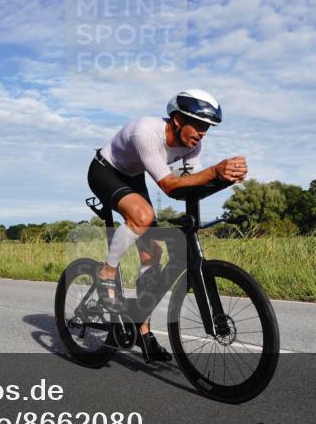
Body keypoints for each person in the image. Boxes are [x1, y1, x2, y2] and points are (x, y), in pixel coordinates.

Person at [86, 90, 248, 362]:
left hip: (133, 176)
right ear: (176, 120)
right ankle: (106, 272)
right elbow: (170, 186)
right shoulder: (146, 133)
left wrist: (225, 179)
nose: (202, 133)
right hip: (105, 171)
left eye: (207, 127)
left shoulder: (193, 145)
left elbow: (190, 184)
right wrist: (214, 171)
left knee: (154, 254)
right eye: (197, 124)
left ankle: (143, 330)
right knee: (143, 216)